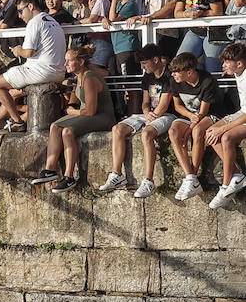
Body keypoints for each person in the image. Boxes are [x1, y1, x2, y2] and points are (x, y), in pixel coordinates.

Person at [0, 0, 67, 134]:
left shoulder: (34, 22)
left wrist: (18, 50)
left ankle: (17, 121)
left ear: (30, 6)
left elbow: (28, 53)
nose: (19, 16)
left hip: (40, 72)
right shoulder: (52, 21)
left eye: (20, 11)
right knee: (11, 93)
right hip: (58, 72)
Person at [30, 46, 115, 193]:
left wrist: (72, 111)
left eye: (69, 60)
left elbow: (90, 111)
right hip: (88, 114)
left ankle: (69, 176)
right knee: (55, 126)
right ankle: (50, 169)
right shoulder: (79, 76)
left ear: (81, 62)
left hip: (102, 116)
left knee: (67, 132)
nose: (65, 64)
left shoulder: (90, 78)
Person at [101, 44, 174, 198]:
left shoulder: (169, 75)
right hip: (150, 114)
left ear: (155, 60)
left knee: (147, 134)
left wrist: (151, 118)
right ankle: (116, 174)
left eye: (144, 63)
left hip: (167, 114)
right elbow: (145, 102)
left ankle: (148, 181)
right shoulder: (147, 76)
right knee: (117, 129)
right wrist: (147, 113)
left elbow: (164, 104)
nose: (142, 67)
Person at [166, 52, 222, 202]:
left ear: (189, 72)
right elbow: (177, 106)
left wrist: (190, 128)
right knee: (173, 131)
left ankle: (193, 177)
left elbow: (203, 112)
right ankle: (190, 177)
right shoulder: (174, 82)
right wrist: (190, 118)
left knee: (197, 131)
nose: (173, 75)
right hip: (190, 115)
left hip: (211, 114)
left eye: (177, 72)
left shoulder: (207, 81)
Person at [206, 42, 246, 209]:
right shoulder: (238, 71)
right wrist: (230, 71)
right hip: (242, 113)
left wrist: (223, 128)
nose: (223, 66)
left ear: (239, 63)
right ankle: (238, 174)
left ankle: (225, 184)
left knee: (226, 136)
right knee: (210, 131)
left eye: (226, 63)